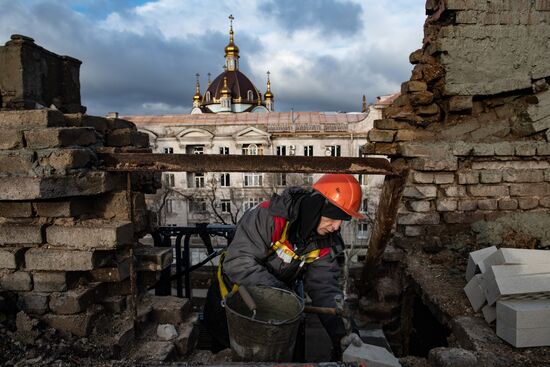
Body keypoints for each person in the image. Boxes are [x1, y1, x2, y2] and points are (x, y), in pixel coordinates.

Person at [203, 173, 365, 359]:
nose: (336, 227)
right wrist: (285, 298)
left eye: (342, 220)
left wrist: (345, 334)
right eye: (332, 218)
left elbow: (324, 289)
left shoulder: (324, 242)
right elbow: (239, 263)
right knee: (230, 357)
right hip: (232, 305)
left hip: (276, 315)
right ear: (315, 207)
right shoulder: (269, 216)